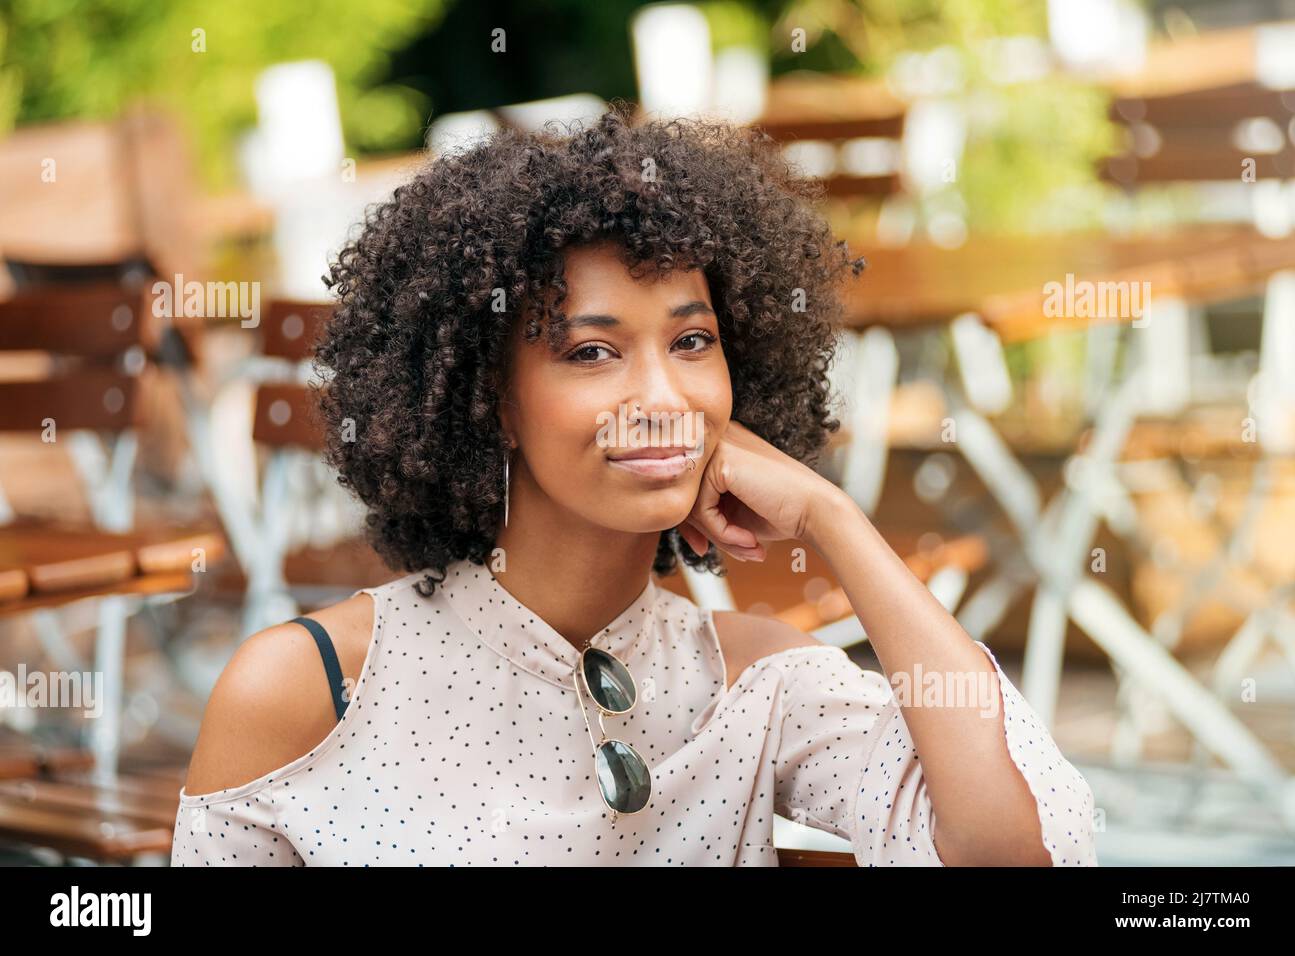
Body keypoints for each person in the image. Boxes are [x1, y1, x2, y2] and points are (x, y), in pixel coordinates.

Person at [171, 103, 1097, 866]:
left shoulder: (753, 681)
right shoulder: (312, 690)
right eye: (591, 351)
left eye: (692, 341)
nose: (661, 397)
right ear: (489, 398)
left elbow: (1013, 852)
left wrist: (833, 516)